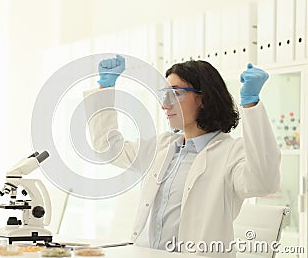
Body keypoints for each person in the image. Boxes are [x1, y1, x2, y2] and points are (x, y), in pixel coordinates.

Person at [83, 55, 281, 258]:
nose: (165, 105)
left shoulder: (230, 153)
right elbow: (108, 149)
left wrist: (251, 105)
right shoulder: (161, 147)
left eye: (175, 94)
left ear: (203, 99)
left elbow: (263, 182)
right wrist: (105, 89)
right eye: (165, 94)